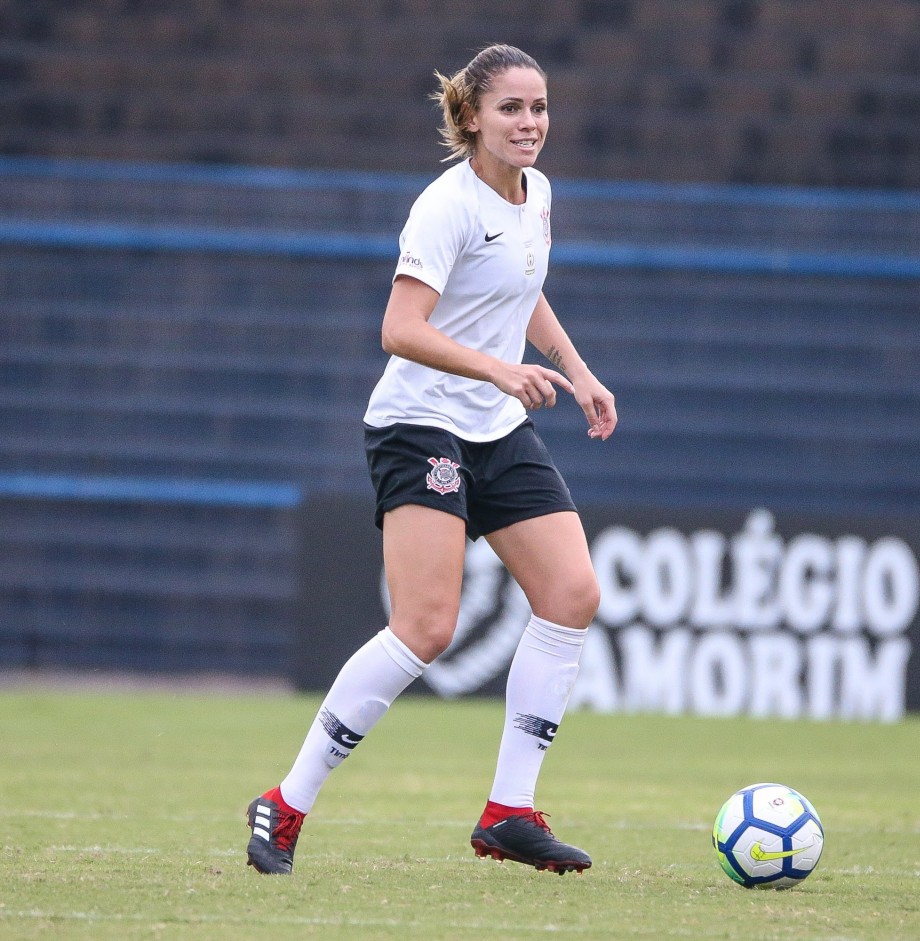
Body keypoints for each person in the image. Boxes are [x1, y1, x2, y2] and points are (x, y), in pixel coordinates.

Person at [246, 43, 617, 877]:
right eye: (512, 109)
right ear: (472, 117)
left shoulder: (539, 195)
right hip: (418, 424)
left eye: (539, 107)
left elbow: (522, 292)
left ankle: (508, 812)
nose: (530, 124)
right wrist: (499, 369)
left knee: (571, 592)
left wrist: (578, 372)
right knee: (425, 626)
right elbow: (399, 328)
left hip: (493, 422)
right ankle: (286, 802)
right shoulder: (444, 206)